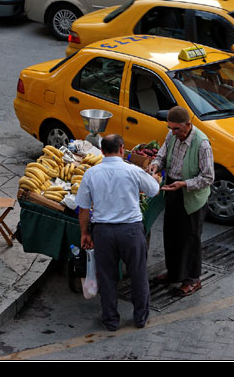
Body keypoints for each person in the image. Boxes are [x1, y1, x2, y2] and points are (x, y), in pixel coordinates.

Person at [76, 134, 161, 331]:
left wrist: (84, 233)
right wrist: (154, 178)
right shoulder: (133, 171)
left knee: (107, 277)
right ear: (122, 149)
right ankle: (140, 318)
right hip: (131, 231)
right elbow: (154, 190)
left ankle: (111, 321)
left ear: (103, 151)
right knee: (138, 275)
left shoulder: (91, 173)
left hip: (103, 233)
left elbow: (83, 208)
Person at [148, 106, 214, 297]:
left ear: (188, 125)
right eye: (171, 128)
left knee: (190, 239)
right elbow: (162, 154)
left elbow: (208, 177)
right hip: (172, 189)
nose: (174, 132)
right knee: (171, 235)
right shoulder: (172, 136)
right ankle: (174, 273)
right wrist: (155, 165)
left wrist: (185, 184)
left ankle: (193, 279)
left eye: (177, 129)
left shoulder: (202, 144)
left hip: (192, 196)